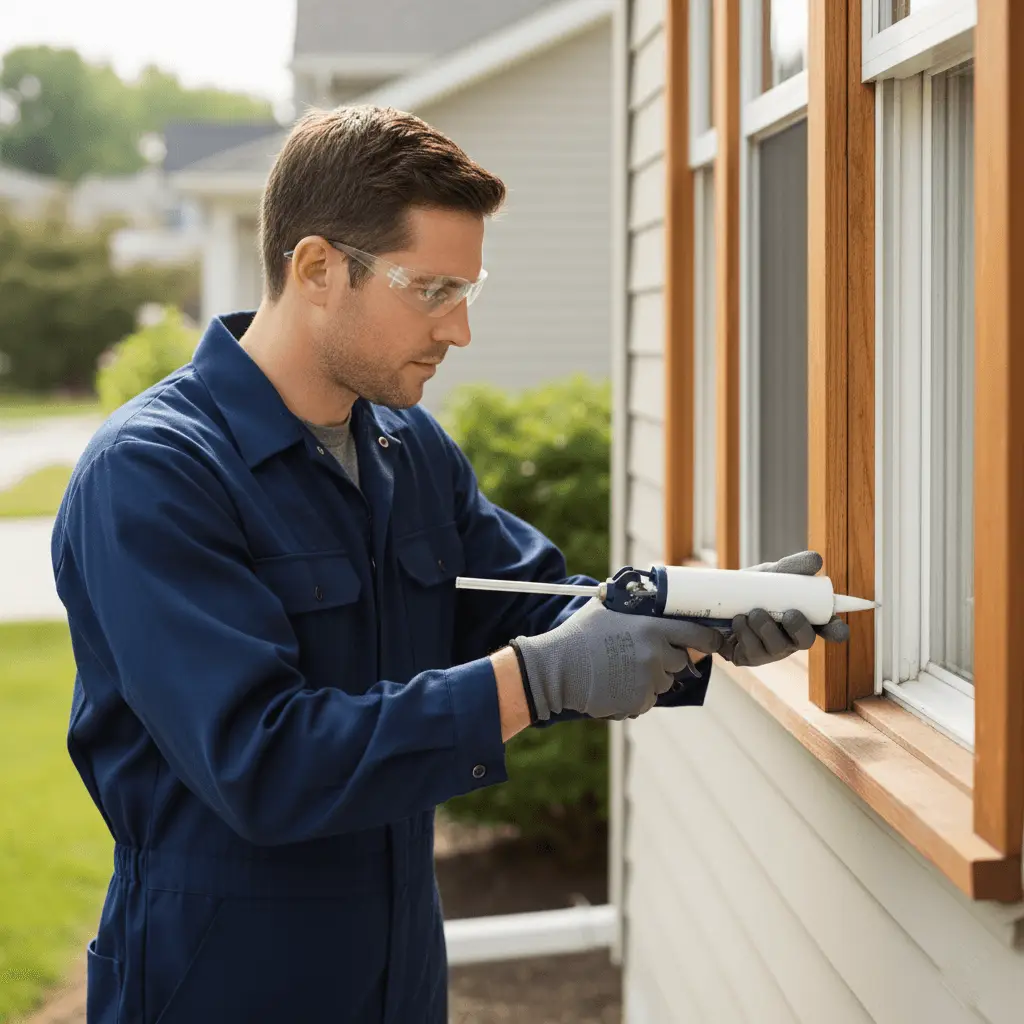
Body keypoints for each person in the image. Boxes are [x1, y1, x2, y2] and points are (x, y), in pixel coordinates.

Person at [52, 105, 849, 1024]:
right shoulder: (154, 475)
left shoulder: (406, 448)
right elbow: (262, 764)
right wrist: (540, 678)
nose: (459, 330)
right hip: (220, 985)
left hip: (399, 977)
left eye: (468, 292)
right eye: (431, 290)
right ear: (316, 268)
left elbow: (543, 615)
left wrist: (699, 622)